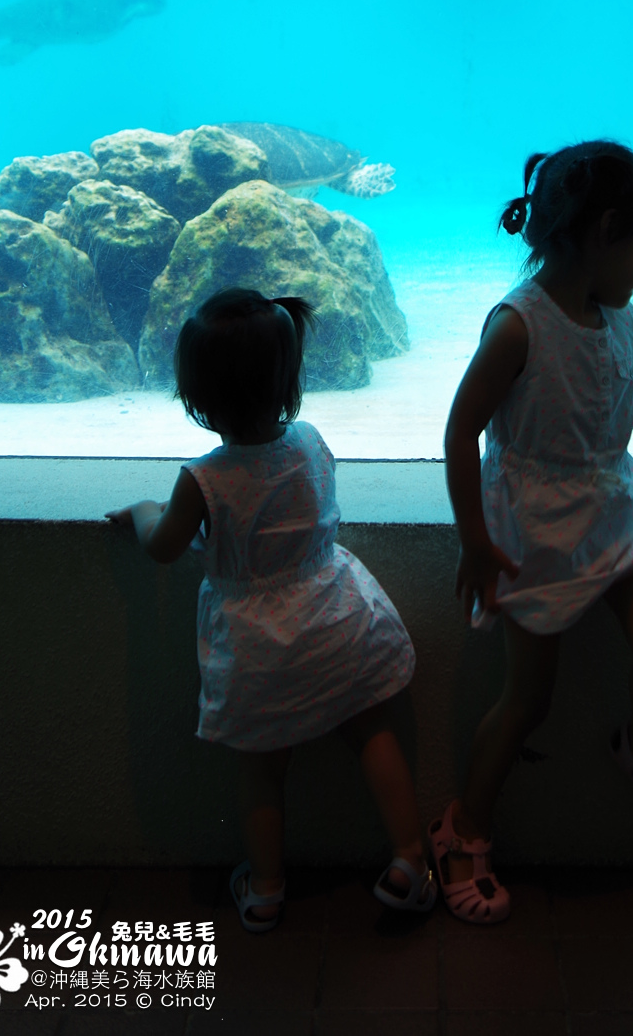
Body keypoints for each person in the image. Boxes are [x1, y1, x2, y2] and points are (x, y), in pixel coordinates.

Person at [436, 141, 633, 924]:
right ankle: (466, 825)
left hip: (614, 504)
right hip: (532, 527)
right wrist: (473, 538)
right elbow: (462, 432)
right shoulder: (519, 326)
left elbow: (632, 388)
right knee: (526, 702)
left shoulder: (619, 314)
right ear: (604, 231)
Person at [107, 287, 434, 931]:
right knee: (372, 731)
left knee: (261, 772)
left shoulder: (202, 478)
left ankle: (264, 890)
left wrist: (143, 510)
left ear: (194, 395)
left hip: (257, 647)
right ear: (288, 378)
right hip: (334, 620)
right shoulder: (309, 441)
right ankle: (408, 860)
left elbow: (167, 546)